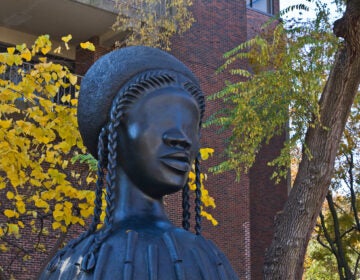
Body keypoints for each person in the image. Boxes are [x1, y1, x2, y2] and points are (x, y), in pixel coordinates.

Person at [39, 46, 238, 280]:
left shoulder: (205, 258)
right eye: (160, 119)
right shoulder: (72, 264)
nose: (182, 138)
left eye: (190, 127)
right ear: (115, 133)